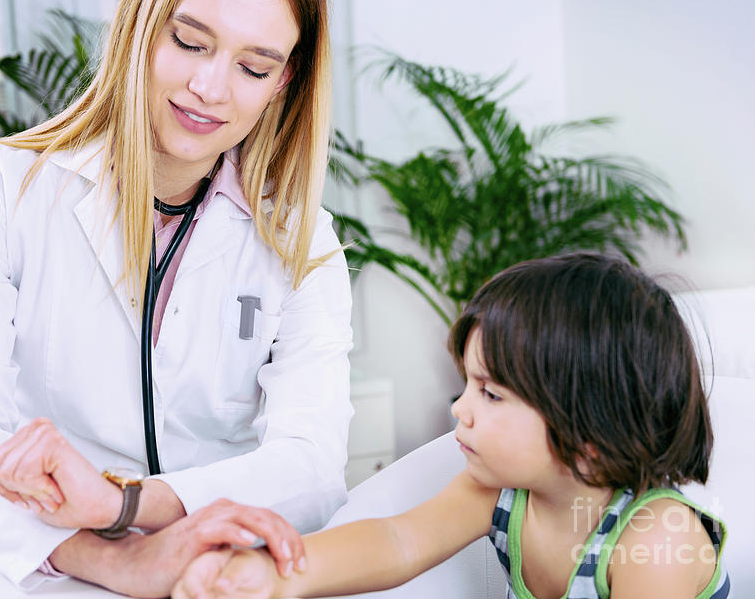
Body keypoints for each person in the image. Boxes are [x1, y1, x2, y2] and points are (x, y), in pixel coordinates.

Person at [0, 0, 351, 596]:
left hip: (210, 565)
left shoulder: (300, 238)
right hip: (34, 558)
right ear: (137, 31)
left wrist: (128, 506)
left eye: (254, 68)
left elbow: (312, 465)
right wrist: (112, 558)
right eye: (191, 43)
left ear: (283, 82)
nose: (210, 88)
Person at [172, 253, 732, 599]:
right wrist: (275, 577)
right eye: (466, 384)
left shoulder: (656, 538)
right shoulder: (503, 495)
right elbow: (397, 541)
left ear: (590, 428)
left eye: (490, 393)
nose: (460, 410)